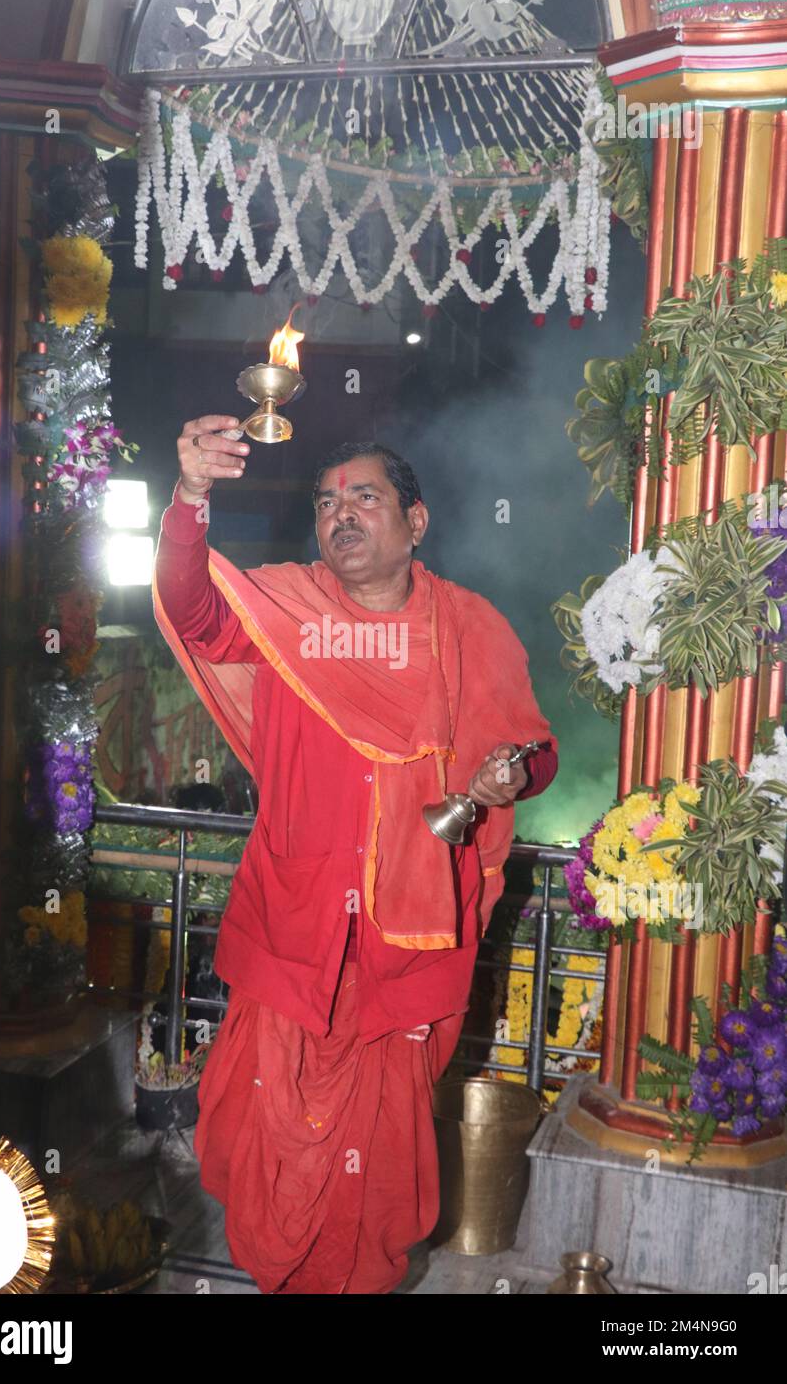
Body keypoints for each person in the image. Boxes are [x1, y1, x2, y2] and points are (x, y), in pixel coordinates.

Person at [153, 416, 558, 1294]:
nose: (342, 514)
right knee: (265, 1142)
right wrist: (191, 497)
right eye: (327, 501)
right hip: (291, 929)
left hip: (402, 951)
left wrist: (501, 779)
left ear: (416, 523)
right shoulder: (288, 609)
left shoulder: (468, 629)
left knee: (373, 1165)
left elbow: (533, 748)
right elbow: (190, 608)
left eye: (365, 497)